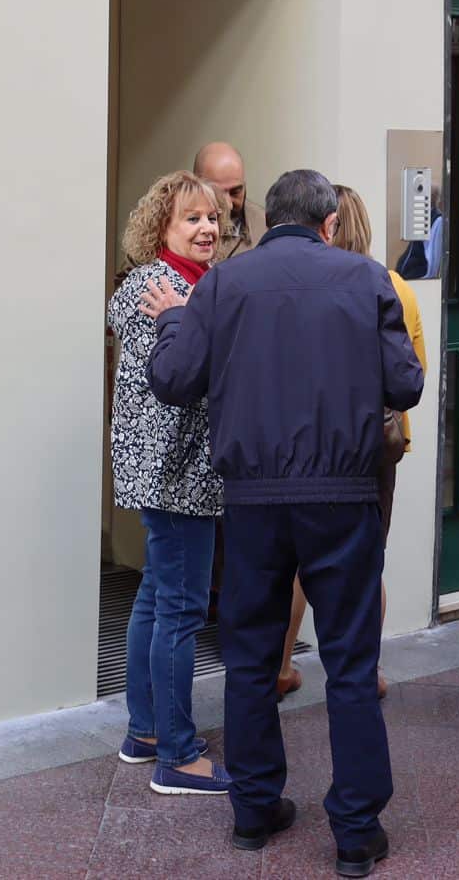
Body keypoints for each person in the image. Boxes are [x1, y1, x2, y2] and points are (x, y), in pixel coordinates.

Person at [145, 170, 422, 873]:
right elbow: (406, 384)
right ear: (329, 223)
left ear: (269, 218)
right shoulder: (366, 281)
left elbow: (174, 380)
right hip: (343, 494)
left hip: (254, 500)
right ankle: (355, 831)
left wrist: (173, 318)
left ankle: (254, 811)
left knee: (251, 658)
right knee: (352, 664)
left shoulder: (224, 285)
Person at [108, 171, 232, 796]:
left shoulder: (184, 287)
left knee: (156, 600)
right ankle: (178, 756)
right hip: (177, 472)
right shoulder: (165, 288)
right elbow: (179, 381)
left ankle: (147, 731)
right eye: (192, 219)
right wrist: (190, 320)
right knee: (179, 611)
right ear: (162, 228)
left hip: (160, 470)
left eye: (212, 217)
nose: (208, 227)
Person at [277, 185, 424, 702]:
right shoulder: (393, 287)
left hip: (302, 443)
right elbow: (412, 376)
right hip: (375, 447)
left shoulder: (295, 285)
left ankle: (280, 662)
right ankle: (368, 669)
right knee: (365, 560)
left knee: (297, 560)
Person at [194, 142, 265, 260]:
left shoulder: (265, 229)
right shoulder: (171, 228)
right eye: (217, 193)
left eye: (236, 192)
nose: (228, 204)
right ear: (195, 185)